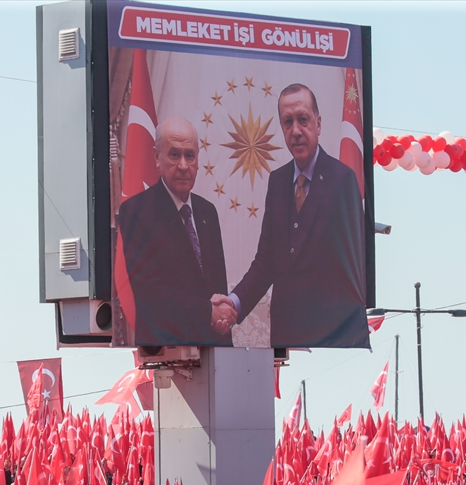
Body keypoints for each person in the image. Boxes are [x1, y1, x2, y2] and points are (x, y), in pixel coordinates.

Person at [211, 83, 371, 348]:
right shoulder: (277, 181)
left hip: (331, 340)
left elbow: (353, 266)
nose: (296, 131)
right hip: (287, 340)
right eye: (288, 122)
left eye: (303, 120)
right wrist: (234, 304)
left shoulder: (343, 179)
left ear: (318, 124)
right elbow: (266, 262)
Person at [117, 116, 233, 346]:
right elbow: (149, 294)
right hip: (168, 354)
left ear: (198, 160)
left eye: (189, 155)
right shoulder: (136, 212)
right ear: (156, 158)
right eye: (174, 154)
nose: (183, 165)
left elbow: (217, 288)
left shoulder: (207, 212)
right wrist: (207, 312)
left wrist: (223, 317)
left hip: (215, 353)